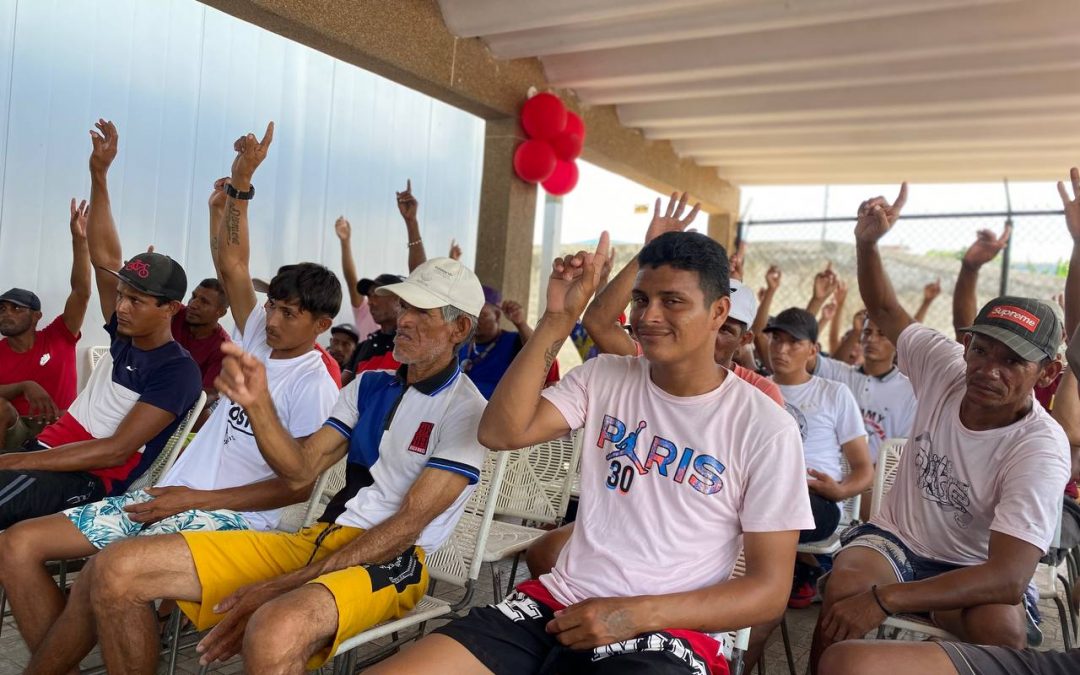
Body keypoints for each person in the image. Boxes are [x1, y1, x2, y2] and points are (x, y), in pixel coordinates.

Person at [370, 229, 814, 675]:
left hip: (667, 633)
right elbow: (500, 432)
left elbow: (768, 591)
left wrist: (635, 615)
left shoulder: (765, 426)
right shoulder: (604, 376)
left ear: (719, 312)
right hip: (556, 606)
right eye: (641, 299)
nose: (648, 316)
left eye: (672, 301)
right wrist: (558, 318)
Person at [6, 129, 341, 667]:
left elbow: (294, 485)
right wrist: (241, 184)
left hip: (234, 519)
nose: (272, 320)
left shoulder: (316, 383)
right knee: (20, 542)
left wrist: (195, 499)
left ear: (322, 324)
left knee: (106, 572)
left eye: (289, 313)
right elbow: (233, 263)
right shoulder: (259, 335)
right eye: (271, 307)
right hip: (170, 496)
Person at [78, 254, 487, 673]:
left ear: (459, 328)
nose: (404, 319)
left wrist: (282, 585)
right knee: (116, 567)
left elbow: (405, 528)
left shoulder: (466, 410)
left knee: (273, 629)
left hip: (395, 558)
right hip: (322, 537)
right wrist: (258, 405)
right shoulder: (367, 385)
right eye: (405, 306)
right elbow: (300, 471)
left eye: (422, 312)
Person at [809, 184, 1069, 672]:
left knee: (1004, 633)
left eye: (1013, 361)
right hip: (897, 542)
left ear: (1047, 373)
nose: (989, 370)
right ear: (966, 347)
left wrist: (887, 599)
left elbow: (1009, 578)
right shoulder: (943, 364)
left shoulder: (1040, 447)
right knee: (845, 588)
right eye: (981, 350)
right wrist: (867, 244)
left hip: (976, 567)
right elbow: (885, 310)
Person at [0, 120, 201, 531]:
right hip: (49, 453)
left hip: (90, 479)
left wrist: (14, 459)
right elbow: (105, 258)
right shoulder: (126, 335)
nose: (121, 307)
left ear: (170, 308)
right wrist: (99, 174)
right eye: (121, 296)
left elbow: (115, 451)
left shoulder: (177, 370)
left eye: (136, 301)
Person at [765, 307, 873, 607]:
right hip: (763, 492)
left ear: (813, 350)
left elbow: (863, 469)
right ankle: (796, 571)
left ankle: (783, 579)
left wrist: (840, 491)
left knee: (765, 513)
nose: (781, 349)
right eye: (776, 339)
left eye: (793, 342)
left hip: (816, 500)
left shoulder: (834, 393)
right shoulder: (755, 388)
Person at [0, 198, 92, 450]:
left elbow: (81, 292)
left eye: (16, 308)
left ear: (36, 316)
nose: (6, 314)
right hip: (16, 430)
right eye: (2, 309)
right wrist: (24, 386)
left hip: (59, 428)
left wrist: (80, 240)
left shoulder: (59, 335)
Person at [460, 287, 558, 399]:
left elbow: (541, 354)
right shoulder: (461, 343)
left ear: (497, 315)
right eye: (471, 314)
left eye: (482, 315)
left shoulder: (513, 341)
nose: (475, 320)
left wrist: (521, 323)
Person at [340, 272, 405, 384]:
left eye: (376, 295)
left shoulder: (414, 343)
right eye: (369, 296)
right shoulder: (362, 347)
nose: (370, 302)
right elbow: (341, 388)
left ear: (399, 299)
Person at [172, 278, 230, 401]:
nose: (193, 304)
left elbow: (208, 395)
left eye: (204, 302)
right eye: (193, 297)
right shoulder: (175, 312)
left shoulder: (223, 348)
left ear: (220, 312)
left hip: (179, 401)